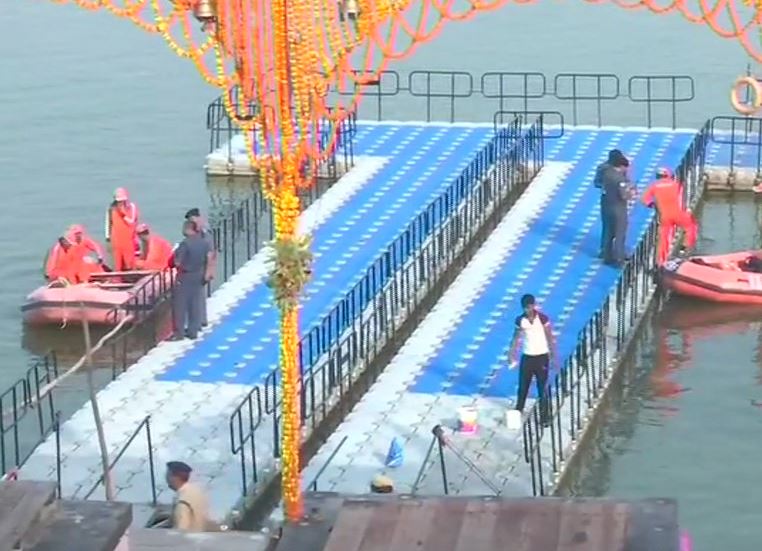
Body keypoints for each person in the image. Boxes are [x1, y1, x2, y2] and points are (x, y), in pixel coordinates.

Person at [507, 294, 555, 426]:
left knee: (542, 388)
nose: (528, 310)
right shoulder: (520, 320)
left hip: (541, 357)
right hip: (527, 356)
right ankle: (519, 410)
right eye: (525, 308)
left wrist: (553, 356)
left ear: (534, 305)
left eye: (530, 307)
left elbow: (549, 337)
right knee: (523, 386)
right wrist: (511, 354)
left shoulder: (543, 319)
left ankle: (545, 416)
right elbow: (516, 338)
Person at [641, 167, 698, 266]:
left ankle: (661, 262)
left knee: (664, 238)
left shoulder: (654, 186)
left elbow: (644, 200)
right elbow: (682, 198)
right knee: (691, 227)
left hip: (665, 216)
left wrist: (653, 205)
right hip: (678, 214)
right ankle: (684, 250)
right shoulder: (676, 184)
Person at [171, 220, 212, 340]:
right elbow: (209, 258)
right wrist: (207, 273)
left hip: (185, 276)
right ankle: (193, 330)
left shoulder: (185, 244)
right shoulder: (204, 243)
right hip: (199, 274)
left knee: (180, 304)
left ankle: (179, 333)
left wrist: (175, 255)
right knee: (195, 303)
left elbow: (177, 262)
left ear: (188, 229)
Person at [601, 156, 635, 268]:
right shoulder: (620, 179)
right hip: (618, 208)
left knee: (608, 232)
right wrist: (631, 191)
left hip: (606, 205)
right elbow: (624, 195)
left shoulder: (606, 173)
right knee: (620, 233)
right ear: (621, 166)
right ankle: (619, 258)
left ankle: (607, 256)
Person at [185, 208, 216, 327]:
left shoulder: (204, 233)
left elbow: (210, 253)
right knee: (197, 294)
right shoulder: (198, 231)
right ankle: (200, 319)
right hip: (197, 266)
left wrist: (209, 271)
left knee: (198, 295)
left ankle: (200, 320)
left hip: (202, 266)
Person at [594, 149, 628, 259]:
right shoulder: (611, 170)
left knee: (607, 227)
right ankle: (617, 254)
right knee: (618, 229)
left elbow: (597, 183)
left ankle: (605, 252)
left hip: (606, 199)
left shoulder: (602, 167)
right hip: (616, 201)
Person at [165, 461, 212, 532]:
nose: (166, 479)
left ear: (174, 477)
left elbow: (182, 530)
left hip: (188, 541)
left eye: (167, 475)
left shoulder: (183, 499)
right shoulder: (198, 492)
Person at [105, 187, 140, 272]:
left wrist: (123, 214)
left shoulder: (131, 207)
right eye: (118, 201)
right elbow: (108, 223)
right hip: (116, 240)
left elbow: (132, 221)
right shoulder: (111, 209)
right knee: (117, 265)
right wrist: (108, 237)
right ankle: (117, 279)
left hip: (129, 239)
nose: (120, 203)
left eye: (122, 201)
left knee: (130, 264)